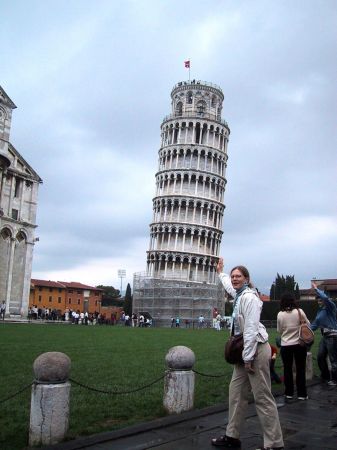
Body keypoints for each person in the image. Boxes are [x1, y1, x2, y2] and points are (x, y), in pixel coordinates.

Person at [211, 258, 284, 450]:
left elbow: (251, 329)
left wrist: (248, 357)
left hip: (255, 350)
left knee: (262, 396)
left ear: (246, 279)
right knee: (236, 394)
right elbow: (228, 285)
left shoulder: (250, 298)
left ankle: (275, 444)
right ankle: (232, 437)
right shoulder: (239, 294)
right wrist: (221, 272)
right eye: (233, 276)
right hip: (245, 350)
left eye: (238, 276)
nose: (234, 279)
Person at [277, 292, 309, 400]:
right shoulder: (300, 312)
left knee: (287, 369)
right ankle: (302, 394)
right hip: (300, 344)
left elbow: (279, 330)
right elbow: (307, 325)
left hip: (286, 345)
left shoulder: (280, 314)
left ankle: (289, 393)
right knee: (300, 369)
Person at [310, 281, 337, 386]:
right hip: (325, 337)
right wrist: (303, 331)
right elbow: (314, 326)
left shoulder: (331, 307)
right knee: (320, 357)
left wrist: (316, 288)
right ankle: (325, 377)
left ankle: (335, 379)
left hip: (333, 337)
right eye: (318, 300)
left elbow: (325, 298)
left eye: (321, 300)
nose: (319, 301)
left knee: (333, 359)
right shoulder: (320, 312)